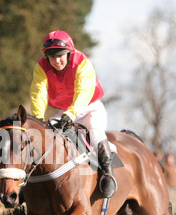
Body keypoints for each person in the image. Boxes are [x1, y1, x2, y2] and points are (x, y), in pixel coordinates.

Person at [29, 30, 117, 198]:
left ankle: (108, 175)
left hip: (90, 107)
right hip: (65, 112)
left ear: (69, 52)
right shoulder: (41, 67)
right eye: (51, 56)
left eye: (60, 55)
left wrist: (71, 113)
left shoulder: (82, 62)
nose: (56, 60)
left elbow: (83, 92)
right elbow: (38, 93)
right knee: (42, 138)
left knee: (96, 135)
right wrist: (38, 119)